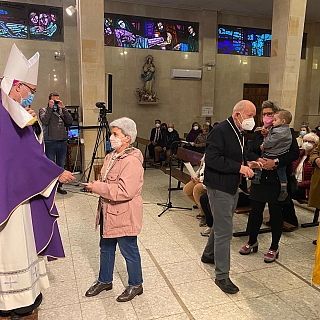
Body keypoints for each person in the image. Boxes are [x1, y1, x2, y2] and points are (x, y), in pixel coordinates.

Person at [0, 44, 75, 318]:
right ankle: (17, 301)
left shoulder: (11, 110)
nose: (31, 96)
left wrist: (34, 125)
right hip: (12, 195)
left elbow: (29, 148)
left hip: (14, 189)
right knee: (11, 247)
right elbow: (23, 156)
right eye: (30, 90)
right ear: (17, 85)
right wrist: (56, 173)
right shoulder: (6, 112)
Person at [201, 100, 261, 294]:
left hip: (231, 185)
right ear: (238, 115)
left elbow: (238, 153)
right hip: (219, 186)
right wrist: (239, 167)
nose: (253, 119)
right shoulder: (221, 130)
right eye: (250, 115)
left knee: (221, 224)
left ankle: (209, 254)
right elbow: (213, 159)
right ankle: (222, 276)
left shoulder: (238, 131)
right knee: (225, 231)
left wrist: (251, 161)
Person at [84, 117, 144, 303]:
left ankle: (136, 284)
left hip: (123, 212)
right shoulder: (112, 156)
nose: (111, 137)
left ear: (127, 138)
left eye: (116, 134)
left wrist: (98, 188)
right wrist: (97, 185)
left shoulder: (131, 161)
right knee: (106, 247)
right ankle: (105, 280)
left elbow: (126, 191)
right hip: (107, 211)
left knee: (129, 250)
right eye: (112, 133)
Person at [239, 100, 299, 263]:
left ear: (277, 116)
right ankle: (252, 241)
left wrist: (276, 162)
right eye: (264, 114)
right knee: (256, 211)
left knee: (275, 213)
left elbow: (294, 154)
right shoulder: (259, 133)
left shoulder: (287, 132)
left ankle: (274, 246)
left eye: (270, 114)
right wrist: (258, 159)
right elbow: (248, 152)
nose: (266, 117)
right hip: (260, 177)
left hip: (278, 180)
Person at [39, 92, 73, 194]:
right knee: (50, 165)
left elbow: (70, 121)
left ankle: (60, 186)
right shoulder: (43, 110)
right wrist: (50, 108)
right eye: (54, 100)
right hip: (50, 142)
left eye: (57, 100)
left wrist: (64, 108)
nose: (55, 103)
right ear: (49, 100)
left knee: (60, 165)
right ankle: (50, 187)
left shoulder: (62, 111)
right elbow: (44, 121)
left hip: (62, 141)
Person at [254, 110, 293, 201]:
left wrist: (264, 145)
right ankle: (283, 188)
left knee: (260, 161)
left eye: (274, 119)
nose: (272, 121)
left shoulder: (279, 131)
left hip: (274, 154)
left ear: (283, 121)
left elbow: (270, 142)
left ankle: (256, 176)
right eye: (264, 114)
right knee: (281, 173)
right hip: (281, 153)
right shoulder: (285, 131)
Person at [282, 132, 318, 227]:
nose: (307, 143)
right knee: (281, 189)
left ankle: (291, 220)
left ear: (316, 144)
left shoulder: (315, 159)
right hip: (295, 183)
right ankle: (283, 217)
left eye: (310, 142)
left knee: (287, 192)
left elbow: (314, 181)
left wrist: (299, 184)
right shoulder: (298, 155)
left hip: (308, 189)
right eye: (305, 141)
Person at [183, 155, 207, 224]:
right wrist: (195, 176)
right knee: (187, 189)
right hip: (201, 178)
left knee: (197, 189)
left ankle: (204, 215)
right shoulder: (207, 153)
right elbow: (201, 167)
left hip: (209, 181)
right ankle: (202, 208)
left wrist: (201, 179)